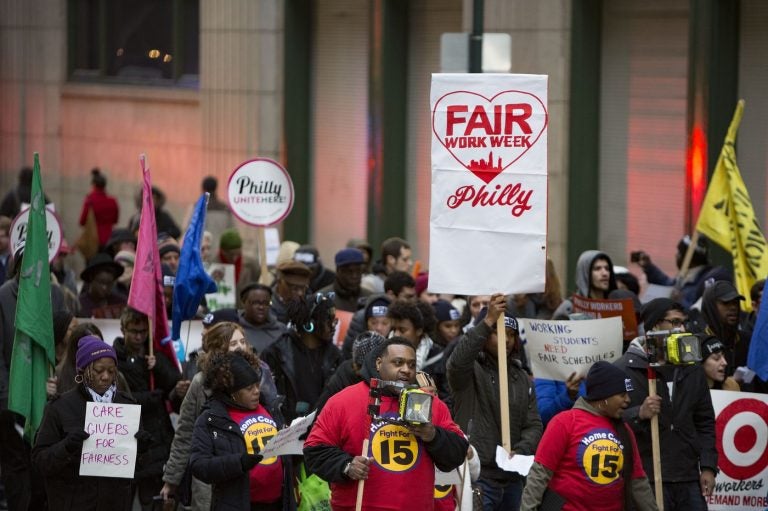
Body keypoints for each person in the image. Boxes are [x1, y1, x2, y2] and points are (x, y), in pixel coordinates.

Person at [303, 337, 469, 511]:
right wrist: (346, 465)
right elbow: (314, 450)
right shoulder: (343, 402)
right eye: (398, 363)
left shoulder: (430, 404)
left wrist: (433, 435)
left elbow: (458, 453)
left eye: (412, 365)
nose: (406, 370)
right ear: (379, 363)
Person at [161, 322, 278, 510]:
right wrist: (171, 480)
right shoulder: (201, 383)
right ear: (217, 349)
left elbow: (274, 417)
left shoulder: (261, 373)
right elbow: (185, 435)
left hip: (260, 484)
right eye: (233, 344)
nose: (240, 347)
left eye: (242, 341)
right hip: (214, 481)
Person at [614, 298, 717, 511]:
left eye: (683, 322)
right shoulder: (624, 369)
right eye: (674, 322)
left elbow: (705, 421)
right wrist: (639, 413)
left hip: (688, 477)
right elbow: (610, 422)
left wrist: (707, 466)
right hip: (648, 477)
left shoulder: (692, 367)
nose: (681, 328)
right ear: (654, 326)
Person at [447, 294, 542, 511]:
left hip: (512, 479)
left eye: (510, 334)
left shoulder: (521, 378)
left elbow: (533, 424)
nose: (505, 340)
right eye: (497, 333)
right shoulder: (469, 372)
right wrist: (487, 320)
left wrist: (521, 449)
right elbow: (457, 362)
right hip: (478, 477)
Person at [32, 336, 150, 511]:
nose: (105, 377)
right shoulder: (59, 407)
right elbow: (39, 462)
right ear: (83, 371)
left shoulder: (127, 407)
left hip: (114, 504)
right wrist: (66, 447)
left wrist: (140, 450)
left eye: (111, 371)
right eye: (99, 370)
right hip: (72, 503)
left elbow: (135, 469)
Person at [520, 361, 658, 511]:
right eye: (622, 395)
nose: (628, 400)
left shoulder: (624, 430)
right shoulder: (565, 422)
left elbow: (637, 480)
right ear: (604, 395)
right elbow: (540, 473)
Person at [190, 350, 294, 511]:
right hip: (240, 504)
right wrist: (239, 462)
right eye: (249, 388)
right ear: (232, 393)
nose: (256, 391)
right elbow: (199, 465)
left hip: (279, 503)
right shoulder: (211, 419)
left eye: (257, 385)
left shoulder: (270, 408)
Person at [113, 307, 184, 510]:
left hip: (157, 437)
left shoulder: (154, 356)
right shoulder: (114, 359)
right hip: (126, 439)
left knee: (153, 501)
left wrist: (158, 366)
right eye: (133, 331)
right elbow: (115, 398)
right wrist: (151, 398)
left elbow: (173, 384)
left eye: (143, 332)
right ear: (122, 329)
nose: (138, 337)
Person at [261, 292, 342, 422]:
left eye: (335, 320)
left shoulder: (335, 356)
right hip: (285, 430)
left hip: (321, 428)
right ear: (310, 324)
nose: (334, 325)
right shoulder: (276, 354)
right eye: (329, 319)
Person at [632, 234, 731, 309]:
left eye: (679, 252)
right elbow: (669, 284)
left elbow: (697, 311)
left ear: (689, 258)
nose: (676, 255)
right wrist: (649, 267)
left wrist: (680, 301)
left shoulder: (705, 282)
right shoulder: (686, 276)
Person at [341, 270, 416, 359]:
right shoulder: (359, 320)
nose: (379, 328)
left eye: (385, 323)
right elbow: (347, 356)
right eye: (373, 323)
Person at [314, 330, 386, 413]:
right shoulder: (342, 377)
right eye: (360, 367)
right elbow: (320, 411)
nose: (365, 374)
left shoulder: (388, 381)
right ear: (354, 363)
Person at [698, 281, 748, 377]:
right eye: (726, 303)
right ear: (711, 307)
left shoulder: (748, 341)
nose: (733, 307)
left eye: (736, 303)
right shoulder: (699, 344)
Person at [553, 250, 618, 319]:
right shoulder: (570, 307)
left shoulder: (616, 306)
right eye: (597, 269)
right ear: (585, 273)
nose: (605, 273)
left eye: (607, 269)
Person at [182, 176, 235, 253]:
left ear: (203, 188)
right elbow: (232, 232)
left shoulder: (196, 208)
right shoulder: (225, 209)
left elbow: (187, 230)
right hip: (220, 253)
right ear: (216, 188)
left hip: (200, 252)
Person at [237, 283, 288, 355]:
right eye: (255, 303)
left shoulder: (281, 330)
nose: (261, 307)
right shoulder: (233, 329)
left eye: (266, 303)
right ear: (243, 302)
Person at [213, 228, 261, 302]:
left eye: (237, 253)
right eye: (230, 254)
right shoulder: (212, 264)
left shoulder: (251, 264)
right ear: (222, 251)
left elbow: (256, 278)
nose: (234, 258)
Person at [319, 247, 371, 312]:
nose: (354, 276)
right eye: (349, 271)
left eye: (358, 271)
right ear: (338, 271)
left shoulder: (370, 298)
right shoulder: (322, 298)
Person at [78, 168, 119, 249]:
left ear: (93, 185)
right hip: (110, 239)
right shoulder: (113, 201)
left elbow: (82, 221)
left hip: (93, 240)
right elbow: (115, 220)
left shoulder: (90, 201)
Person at [78, 253, 127, 318]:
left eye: (109, 283)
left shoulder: (121, 302)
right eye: (101, 282)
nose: (105, 287)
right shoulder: (79, 304)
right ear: (91, 279)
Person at [269, 260, 311, 324]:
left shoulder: (310, 301)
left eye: (303, 288)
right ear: (279, 282)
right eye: (294, 288)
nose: (300, 293)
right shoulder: (266, 303)